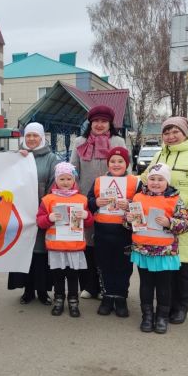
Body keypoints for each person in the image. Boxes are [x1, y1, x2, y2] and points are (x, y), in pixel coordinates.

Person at [142, 117, 188, 324]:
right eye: (166, 132)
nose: (171, 137)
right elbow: (144, 179)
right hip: (159, 221)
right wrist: (116, 180)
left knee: (185, 267)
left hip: (185, 221)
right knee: (165, 267)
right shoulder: (158, 155)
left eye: (175, 132)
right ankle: (165, 306)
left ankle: (181, 307)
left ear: (184, 133)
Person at [125, 164, 188, 334]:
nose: (155, 183)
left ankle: (162, 316)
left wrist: (170, 223)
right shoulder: (138, 197)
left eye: (160, 179)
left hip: (165, 252)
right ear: (147, 181)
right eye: (152, 179)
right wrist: (128, 218)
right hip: (142, 250)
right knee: (146, 285)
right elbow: (128, 224)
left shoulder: (175, 200)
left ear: (167, 182)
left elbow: (186, 224)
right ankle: (147, 316)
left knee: (164, 286)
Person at [70, 105, 126, 300]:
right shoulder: (80, 141)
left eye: (104, 121)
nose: (100, 125)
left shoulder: (118, 141)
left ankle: (106, 286)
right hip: (86, 200)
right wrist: (76, 198)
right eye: (96, 121)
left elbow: (126, 168)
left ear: (110, 123)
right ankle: (89, 286)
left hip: (112, 203)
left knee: (106, 245)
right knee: (87, 244)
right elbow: (73, 171)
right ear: (90, 123)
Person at [7, 123, 58, 305]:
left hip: (42, 212)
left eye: (35, 136)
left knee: (41, 252)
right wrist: (15, 159)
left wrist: (45, 206)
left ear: (42, 137)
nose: (31, 139)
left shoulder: (52, 159)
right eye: (28, 136)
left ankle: (43, 291)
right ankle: (27, 290)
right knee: (24, 249)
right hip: (21, 214)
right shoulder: (17, 157)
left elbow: (55, 183)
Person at [87, 146, 139, 317]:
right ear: (108, 164)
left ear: (127, 163)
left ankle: (121, 297)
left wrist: (130, 204)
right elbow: (88, 202)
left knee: (123, 267)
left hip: (124, 233)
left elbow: (143, 205)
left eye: (120, 161)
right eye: (112, 161)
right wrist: (96, 203)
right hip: (102, 231)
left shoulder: (135, 182)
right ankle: (107, 296)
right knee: (104, 265)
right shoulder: (99, 181)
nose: (116, 164)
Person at [36, 162, 92, 317]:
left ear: (74, 180)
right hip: (56, 247)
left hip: (75, 247)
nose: (66, 182)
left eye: (69, 178)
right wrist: (49, 218)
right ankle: (59, 299)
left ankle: (73, 301)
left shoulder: (82, 199)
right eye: (62, 179)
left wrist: (87, 216)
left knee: (73, 276)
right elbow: (40, 222)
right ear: (56, 181)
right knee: (58, 276)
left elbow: (89, 223)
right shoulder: (48, 200)